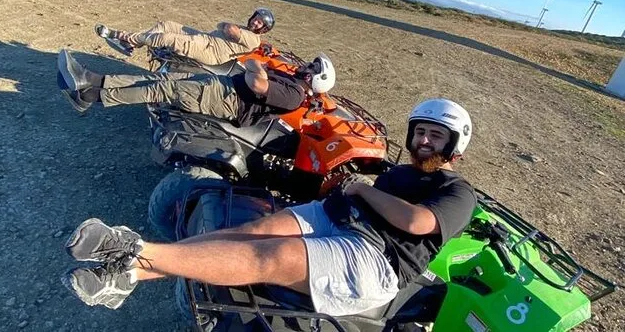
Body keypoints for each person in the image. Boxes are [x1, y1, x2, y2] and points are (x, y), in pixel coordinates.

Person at [61, 98, 477, 315]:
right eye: (420, 132)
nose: (424, 140)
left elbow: (417, 221)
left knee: (273, 256)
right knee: (252, 231)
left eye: (436, 136)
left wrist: (362, 190)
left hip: (376, 257)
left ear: (455, 146)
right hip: (337, 217)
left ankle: (134, 249)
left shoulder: (458, 191)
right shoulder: (399, 173)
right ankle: (129, 275)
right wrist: (352, 191)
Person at [57, 49, 335, 127]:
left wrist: (256, 66)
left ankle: (89, 95)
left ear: (316, 79)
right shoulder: (291, 81)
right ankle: (91, 78)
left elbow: (256, 82)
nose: (308, 65)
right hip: (224, 87)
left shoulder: (294, 95)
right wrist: (256, 67)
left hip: (226, 99)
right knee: (160, 81)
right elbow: (254, 70)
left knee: (159, 91)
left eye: (314, 67)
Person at [95, 8, 275, 65]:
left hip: (209, 50)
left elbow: (228, 28)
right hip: (204, 38)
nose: (255, 22)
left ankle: (121, 36)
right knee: (167, 25)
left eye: (260, 23)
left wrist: (230, 27)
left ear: (264, 29)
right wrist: (228, 27)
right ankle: (131, 45)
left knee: (166, 38)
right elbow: (221, 25)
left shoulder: (254, 39)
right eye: (255, 18)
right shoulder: (245, 29)